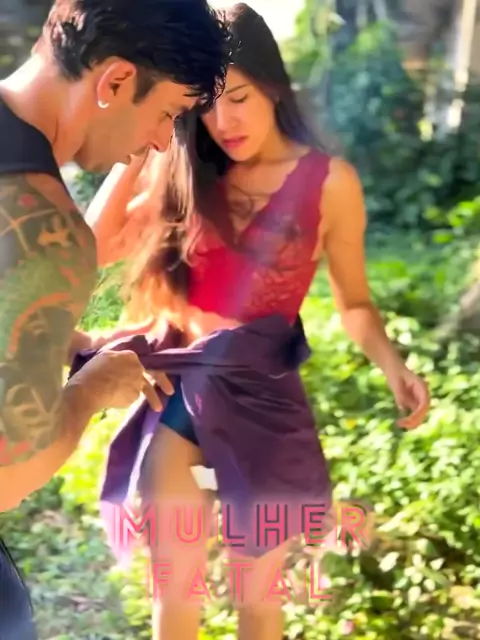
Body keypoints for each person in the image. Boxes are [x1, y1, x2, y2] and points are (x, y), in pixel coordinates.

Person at [86, 3, 430, 639]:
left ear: (272, 82)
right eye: (205, 106)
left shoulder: (329, 183)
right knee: (176, 597)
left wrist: (394, 367)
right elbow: (94, 246)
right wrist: (138, 143)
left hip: (265, 413)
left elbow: (354, 303)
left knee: (260, 603)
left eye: (239, 98)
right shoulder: (186, 170)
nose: (224, 122)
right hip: (182, 404)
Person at [0, 0, 229, 636]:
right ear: (117, 80)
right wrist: (90, 390)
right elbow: (9, 475)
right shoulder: (43, 228)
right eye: (168, 113)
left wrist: (62, 340)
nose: (160, 141)